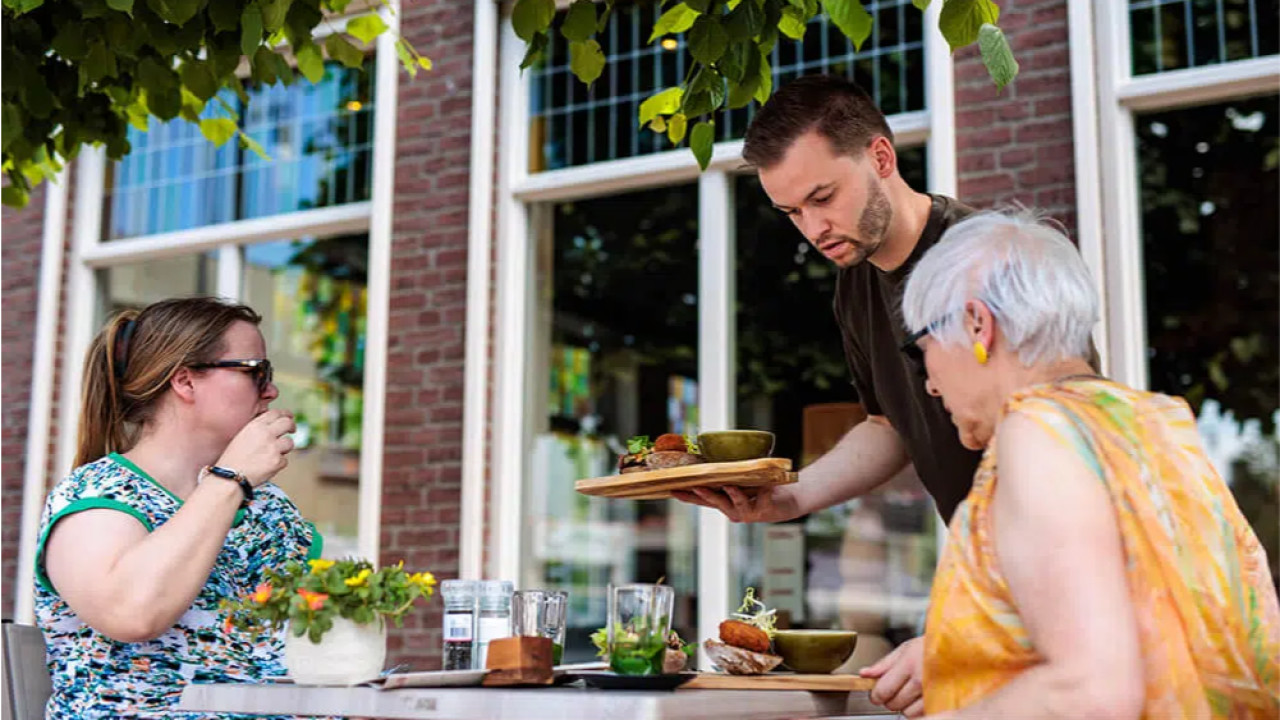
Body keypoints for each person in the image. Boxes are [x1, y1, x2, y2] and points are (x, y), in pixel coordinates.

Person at [672, 74, 983, 716]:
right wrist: (790, 499)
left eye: (822, 197)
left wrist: (970, 630)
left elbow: (1061, 443)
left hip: (1048, 579)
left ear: (880, 158)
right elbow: (887, 424)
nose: (813, 228)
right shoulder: (856, 285)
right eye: (791, 212)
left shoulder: (985, 260)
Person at [900, 210, 1280, 718]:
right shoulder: (1155, 425)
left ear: (977, 325)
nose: (929, 382)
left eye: (922, 347)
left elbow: (1090, 690)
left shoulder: (1038, 432)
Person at [35, 297, 320, 719]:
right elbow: (133, 612)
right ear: (185, 381)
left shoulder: (271, 507)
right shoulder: (97, 494)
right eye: (256, 372)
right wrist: (231, 479)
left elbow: (315, 645)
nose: (272, 390)